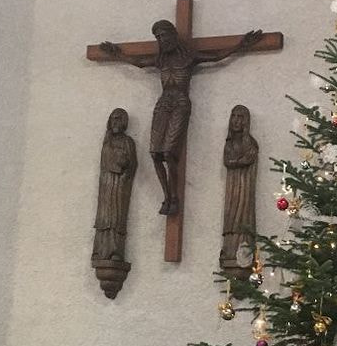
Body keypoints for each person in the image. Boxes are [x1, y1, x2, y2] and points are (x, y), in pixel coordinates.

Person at [99, 23, 262, 215]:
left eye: (163, 36)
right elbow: (139, 62)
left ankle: (174, 197)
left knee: (168, 152)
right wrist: (117, 54)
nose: (161, 41)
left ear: (173, 35)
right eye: (158, 38)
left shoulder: (189, 57)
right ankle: (167, 197)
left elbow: (216, 56)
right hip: (163, 104)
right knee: (154, 153)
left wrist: (240, 45)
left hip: (180, 103)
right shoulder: (161, 60)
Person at [92, 108, 137, 261]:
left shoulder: (127, 142)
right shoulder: (107, 140)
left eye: (118, 118)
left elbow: (132, 164)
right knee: (103, 217)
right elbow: (105, 161)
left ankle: (115, 251)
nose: (115, 122)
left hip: (119, 184)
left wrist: (124, 176)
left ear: (124, 121)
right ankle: (100, 251)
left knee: (116, 218)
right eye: (113, 119)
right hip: (106, 182)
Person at [220, 104, 258, 277]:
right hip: (233, 186)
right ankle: (229, 252)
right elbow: (227, 160)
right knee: (231, 216)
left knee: (242, 214)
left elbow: (249, 158)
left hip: (245, 185)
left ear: (246, 121)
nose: (236, 121)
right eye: (233, 116)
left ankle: (243, 251)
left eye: (240, 117)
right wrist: (237, 161)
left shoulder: (249, 143)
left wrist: (238, 161)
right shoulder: (229, 143)